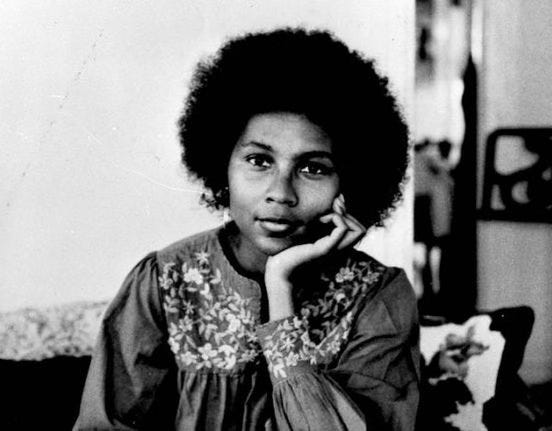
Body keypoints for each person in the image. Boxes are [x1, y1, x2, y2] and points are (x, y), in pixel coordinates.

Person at [74, 27, 420, 430]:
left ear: (351, 184)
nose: (280, 193)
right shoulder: (165, 282)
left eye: (313, 168)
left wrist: (280, 287)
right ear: (221, 163)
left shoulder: (377, 298)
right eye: (259, 161)